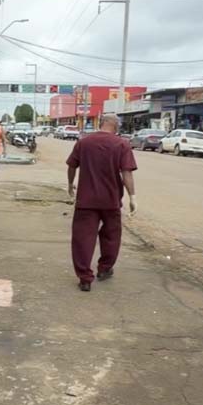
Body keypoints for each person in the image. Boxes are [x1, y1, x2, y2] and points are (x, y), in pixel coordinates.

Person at [66, 114, 137, 292]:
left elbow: (72, 166)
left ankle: (84, 278)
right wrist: (132, 196)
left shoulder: (84, 142)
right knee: (112, 237)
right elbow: (126, 172)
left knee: (83, 238)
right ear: (116, 126)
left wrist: (70, 184)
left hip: (86, 200)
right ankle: (105, 269)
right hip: (111, 201)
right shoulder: (122, 144)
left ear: (101, 123)